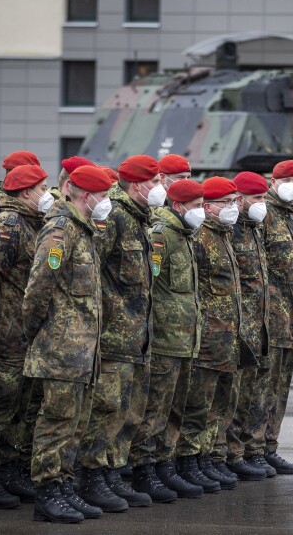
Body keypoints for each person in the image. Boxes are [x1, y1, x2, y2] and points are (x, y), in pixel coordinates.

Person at [22, 165, 112, 523]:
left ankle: (62, 486)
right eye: (103, 196)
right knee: (56, 422)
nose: (107, 202)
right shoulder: (60, 230)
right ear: (87, 197)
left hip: (82, 350)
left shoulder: (83, 230)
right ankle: (47, 492)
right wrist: (39, 335)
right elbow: (37, 290)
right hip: (60, 348)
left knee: (74, 423)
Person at [77, 155, 162, 509]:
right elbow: (90, 268)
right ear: (138, 185)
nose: (160, 187)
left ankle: (113, 473)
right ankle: (91, 477)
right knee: (106, 409)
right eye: (155, 180)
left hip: (136, 336)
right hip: (113, 336)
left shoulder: (140, 220)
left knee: (129, 410)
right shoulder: (114, 217)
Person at [0, 165, 53, 509]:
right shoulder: (8, 224)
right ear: (25, 192)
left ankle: (7, 469)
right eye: (41, 187)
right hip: (5, 333)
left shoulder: (33, 222)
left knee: (18, 405)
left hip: (24, 333)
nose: (46, 193)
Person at [128, 179, 205, 500]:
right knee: (154, 408)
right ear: (179, 206)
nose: (202, 211)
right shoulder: (162, 237)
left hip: (184, 338)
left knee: (176, 407)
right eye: (196, 204)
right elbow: (150, 287)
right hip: (164, 338)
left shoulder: (184, 235)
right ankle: (143, 469)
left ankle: (164, 465)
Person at [176, 177, 242, 492]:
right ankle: (189, 460)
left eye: (235, 201)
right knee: (197, 405)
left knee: (219, 404)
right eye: (226, 202)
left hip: (226, 338)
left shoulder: (222, 235)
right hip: (207, 338)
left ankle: (206, 459)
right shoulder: (201, 238)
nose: (234, 208)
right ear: (209, 207)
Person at [223, 171, 273, 481]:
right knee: (232, 394)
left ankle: (242, 451)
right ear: (240, 199)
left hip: (257, 322)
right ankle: (229, 454)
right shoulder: (230, 230)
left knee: (251, 393)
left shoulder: (253, 228)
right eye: (257, 199)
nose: (262, 204)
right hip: (235, 324)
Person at [260, 159, 293, 475]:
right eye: (288, 179)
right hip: (269, 317)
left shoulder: (288, 216)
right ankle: (251, 449)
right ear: (273, 182)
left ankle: (268, 446)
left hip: (290, 318)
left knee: (279, 387)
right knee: (262, 387)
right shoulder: (264, 215)